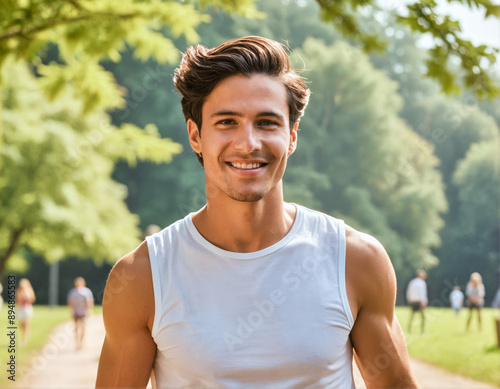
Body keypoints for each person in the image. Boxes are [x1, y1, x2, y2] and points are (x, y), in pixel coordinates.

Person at [96, 36, 418, 388]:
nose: (248, 143)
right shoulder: (143, 278)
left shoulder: (355, 259)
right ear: (195, 135)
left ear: (292, 135)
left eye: (267, 122)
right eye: (227, 122)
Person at [67, 276, 94, 349]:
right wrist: (72, 312)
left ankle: (81, 342)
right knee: (76, 328)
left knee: (83, 328)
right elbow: (70, 303)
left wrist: (89, 310)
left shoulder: (86, 291)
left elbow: (89, 302)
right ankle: (77, 342)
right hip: (76, 312)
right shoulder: (73, 292)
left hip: (83, 312)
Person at [406, 269, 428, 334]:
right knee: (422, 317)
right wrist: (423, 301)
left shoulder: (412, 282)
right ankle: (422, 331)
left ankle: (409, 330)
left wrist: (409, 300)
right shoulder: (422, 283)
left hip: (412, 301)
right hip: (419, 301)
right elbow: (422, 293)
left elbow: (408, 292)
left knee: (412, 316)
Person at [16, 278, 36, 344]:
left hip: (27, 309)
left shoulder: (29, 291)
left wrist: (26, 294)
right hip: (21, 309)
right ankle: (23, 337)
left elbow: (32, 299)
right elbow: (17, 301)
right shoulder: (18, 291)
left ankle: (25, 339)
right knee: (21, 325)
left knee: (26, 325)